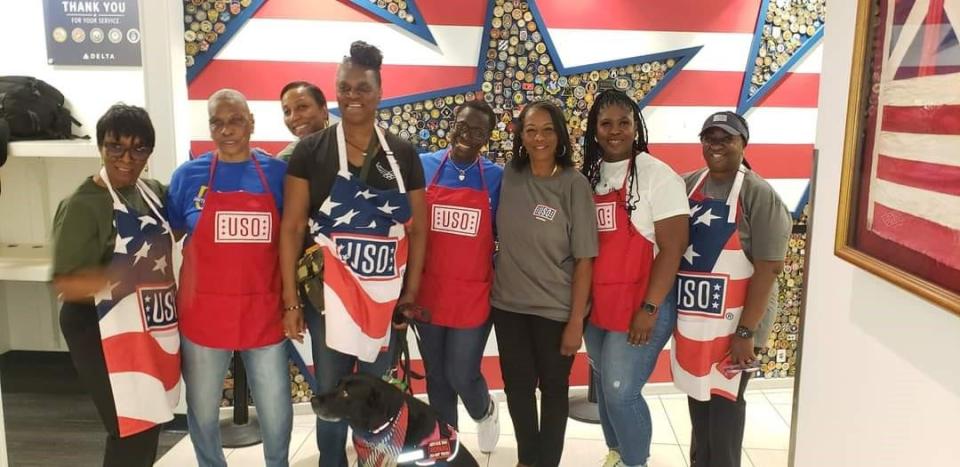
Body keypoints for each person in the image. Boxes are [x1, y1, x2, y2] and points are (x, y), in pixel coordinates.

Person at [279, 41, 427, 467]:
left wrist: (411, 293)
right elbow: (291, 229)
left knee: (376, 395)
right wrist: (290, 301)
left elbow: (418, 231)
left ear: (379, 93)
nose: (352, 96)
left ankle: (376, 461)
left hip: (383, 300)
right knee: (330, 392)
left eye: (362, 88)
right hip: (328, 301)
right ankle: (332, 462)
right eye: (344, 87)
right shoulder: (311, 151)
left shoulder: (402, 153)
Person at [167, 89, 292, 467]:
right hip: (203, 312)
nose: (226, 130)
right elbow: (168, 235)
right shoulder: (188, 176)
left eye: (235, 120)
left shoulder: (277, 174)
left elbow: (293, 237)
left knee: (275, 409)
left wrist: (291, 303)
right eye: (216, 122)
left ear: (251, 122)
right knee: (202, 410)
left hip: (264, 311)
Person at [52, 104, 179, 467]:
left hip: (143, 324)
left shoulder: (152, 192)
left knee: (150, 416)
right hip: (97, 327)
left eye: (138, 149)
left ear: (149, 153)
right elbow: (67, 284)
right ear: (101, 148)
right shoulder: (83, 204)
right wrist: (127, 274)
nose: (126, 158)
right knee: (128, 425)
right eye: (115, 147)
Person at [671, 111, 791, 467]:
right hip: (697, 321)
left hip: (738, 324)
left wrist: (745, 333)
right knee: (699, 402)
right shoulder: (687, 184)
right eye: (710, 137)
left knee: (725, 410)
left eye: (727, 138)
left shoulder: (758, 193)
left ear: (743, 143)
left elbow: (769, 268)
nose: (717, 145)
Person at [580, 90, 689, 467]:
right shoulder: (590, 176)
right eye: (606, 123)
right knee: (606, 387)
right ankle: (616, 452)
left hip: (643, 303)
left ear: (636, 127)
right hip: (599, 306)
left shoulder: (659, 176)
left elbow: (673, 248)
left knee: (620, 390)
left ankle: (635, 461)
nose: (615, 131)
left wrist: (649, 308)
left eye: (624, 123)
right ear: (595, 130)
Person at [491, 100, 598, 467]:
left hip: (556, 311)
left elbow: (585, 259)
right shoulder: (510, 175)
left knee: (553, 390)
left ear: (560, 135)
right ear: (521, 135)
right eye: (531, 129)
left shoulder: (573, 184)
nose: (539, 137)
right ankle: (527, 460)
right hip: (508, 307)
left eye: (547, 129)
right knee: (517, 390)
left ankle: (547, 461)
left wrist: (575, 322)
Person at [415, 100, 503, 452]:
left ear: (487, 137)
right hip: (429, 292)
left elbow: (506, 234)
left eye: (478, 131)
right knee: (437, 378)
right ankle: (444, 448)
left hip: (473, 293)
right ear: (453, 123)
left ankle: (484, 410)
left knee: (461, 373)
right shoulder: (423, 167)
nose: (468, 135)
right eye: (463, 126)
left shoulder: (497, 177)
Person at [277, 81, 329, 161]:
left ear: (324, 111)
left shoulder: (348, 147)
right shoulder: (284, 161)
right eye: (287, 112)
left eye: (302, 107)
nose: (293, 117)